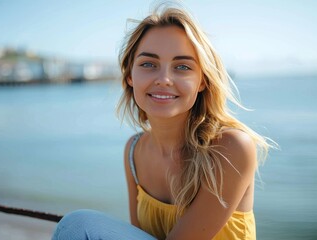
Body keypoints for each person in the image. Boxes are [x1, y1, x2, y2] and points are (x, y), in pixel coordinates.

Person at [52, 3, 274, 240]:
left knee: (78, 225)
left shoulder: (230, 148)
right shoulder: (133, 151)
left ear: (202, 81)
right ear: (129, 76)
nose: (164, 79)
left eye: (182, 67)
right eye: (149, 64)